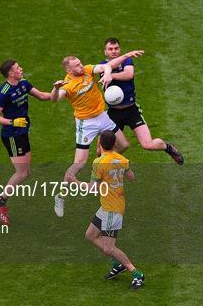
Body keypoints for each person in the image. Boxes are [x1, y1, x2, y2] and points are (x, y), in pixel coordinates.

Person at [50, 50, 144, 217]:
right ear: (69, 71)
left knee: (124, 144)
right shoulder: (67, 85)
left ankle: (101, 166)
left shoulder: (87, 70)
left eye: (80, 62)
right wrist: (55, 89)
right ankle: (61, 196)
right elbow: (55, 99)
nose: (81, 65)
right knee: (78, 163)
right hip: (86, 124)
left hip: (102, 116)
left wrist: (109, 72)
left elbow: (107, 66)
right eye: (77, 65)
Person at [69, 130, 144, 290]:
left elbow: (92, 189)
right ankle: (118, 263)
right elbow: (132, 177)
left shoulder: (99, 163)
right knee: (90, 235)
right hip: (109, 206)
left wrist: (74, 181)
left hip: (112, 209)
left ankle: (136, 273)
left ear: (100, 143)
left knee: (109, 247)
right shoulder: (122, 159)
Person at [99, 38, 184, 165]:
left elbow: (129, 74)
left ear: (120, 49)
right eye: (110, 49)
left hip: (131, 110)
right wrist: (107, 73)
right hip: (113, 113)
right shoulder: (102, 66)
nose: (114, 51)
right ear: (105, 52)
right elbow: (106, 70)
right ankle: (105, 171)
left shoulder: (127, 60)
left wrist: (112, 75)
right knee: (100, 152)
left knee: (148, 144)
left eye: (116, 48)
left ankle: (168, 147)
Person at [0, 59, 51, 225]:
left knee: (26, 172)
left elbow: (43, 96)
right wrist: (12, 122)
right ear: (10, 73)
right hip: (12, 135)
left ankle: (0, 199)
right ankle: (0, 202)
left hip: (22, 132)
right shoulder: (4, 92)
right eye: (18, 68)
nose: (21, 69)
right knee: (22, 173)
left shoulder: (23, 84)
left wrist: (61, 89)